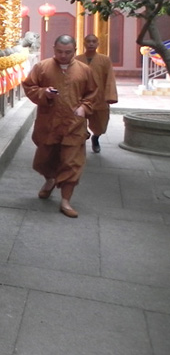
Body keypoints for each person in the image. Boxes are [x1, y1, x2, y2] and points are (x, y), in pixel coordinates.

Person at [22, 34, 98, 218]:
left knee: (72, 162)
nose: (63, 56)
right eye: (60, 52)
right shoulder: (42, 67)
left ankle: (65, 201)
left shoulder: (84, 70)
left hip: (74, 124)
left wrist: (84, 108)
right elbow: (29, 87)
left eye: (68, 52)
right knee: (43, 160)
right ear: (54, 49)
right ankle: (50, 179)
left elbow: (93, 94)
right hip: (49, 122)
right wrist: (44, 93)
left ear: (75, 51)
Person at [76, 34, 118, 153]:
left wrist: (110, 96)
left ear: (97, 44)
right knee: (78, 122)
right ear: (84, 43)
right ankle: (82, 138)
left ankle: (96, 138)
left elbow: (110, 78)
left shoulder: (105, 60)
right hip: (81, 98)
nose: (91, 44)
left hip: (99, 98)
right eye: (88, 41)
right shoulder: (77, 59)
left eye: (94, 41)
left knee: (100, 125)